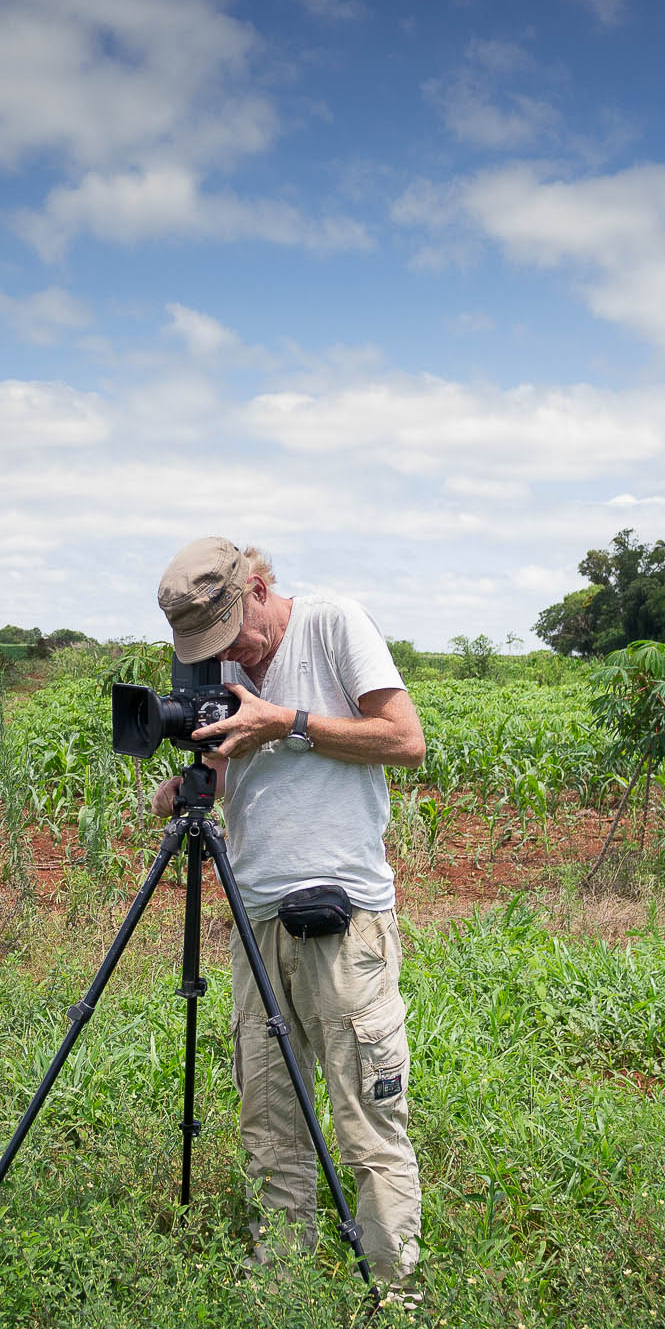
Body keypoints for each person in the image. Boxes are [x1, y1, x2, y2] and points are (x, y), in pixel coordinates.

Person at [149, 536, 427, 1283]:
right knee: (271, 1124)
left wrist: (288, 723)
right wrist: (187, 786)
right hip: (256, 916)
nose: (227, 652)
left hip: (344, 920)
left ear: (261, 587)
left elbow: (405, 741)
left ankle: (394, 1294)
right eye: (208, 645)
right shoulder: (224, 670)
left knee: (366, 1122)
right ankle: (285, 1291)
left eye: (231, 632)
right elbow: (220, 771)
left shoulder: (334, 624)